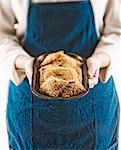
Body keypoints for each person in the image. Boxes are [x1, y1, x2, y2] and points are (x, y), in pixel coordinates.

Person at [0, 0, 120, 149]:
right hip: (29, 102)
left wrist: (102, 57)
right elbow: (2, 34)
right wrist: (24, 62)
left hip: (94, 102)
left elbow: (117, 30)